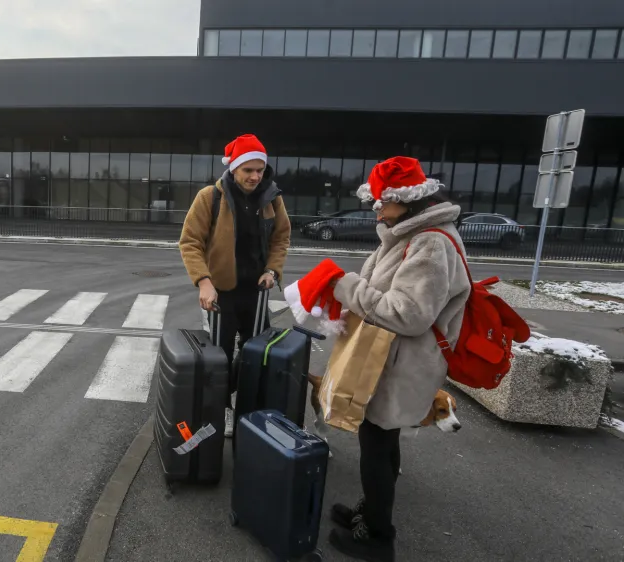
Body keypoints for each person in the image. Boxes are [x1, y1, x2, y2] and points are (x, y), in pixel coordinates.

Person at [325, 156, 472, 562]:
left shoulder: (431, 243)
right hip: (393, 359)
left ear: (406, 199)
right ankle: (371, 511)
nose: (376, 209)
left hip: (404, 362)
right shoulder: (411, 235)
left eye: (381, 201)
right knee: (382, 437)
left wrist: (345, 286)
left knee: (375, 441)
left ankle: (378, 537)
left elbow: (408, 313)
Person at [178, 133, 291, 437]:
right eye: (248, 170)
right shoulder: (210, 198)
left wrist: (272, 270)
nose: (255, 176)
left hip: (256, 292)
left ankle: (249, 408)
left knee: (256, 354)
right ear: (234, 169)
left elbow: (281, 237)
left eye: (260, 170)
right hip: (221, 292)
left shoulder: (272, 197)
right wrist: (203, 281)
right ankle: (222, 409)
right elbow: (190, 242)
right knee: (220, 356)